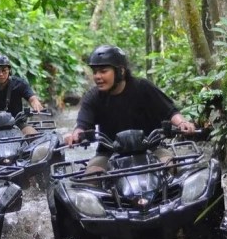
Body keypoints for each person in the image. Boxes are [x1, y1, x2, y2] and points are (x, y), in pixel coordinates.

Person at [64, 45, 196, 174]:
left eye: (103, 71)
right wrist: (75, 135)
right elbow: (82, 124)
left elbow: (170, 111)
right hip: (108, 153)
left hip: (151, 148)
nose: (97, 76)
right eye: (95, 72)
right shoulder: (93, 97)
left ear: (120, 71)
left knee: (169, 166)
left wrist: (182, 123)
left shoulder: (142, 87)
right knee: (92, 176)